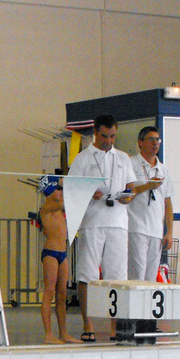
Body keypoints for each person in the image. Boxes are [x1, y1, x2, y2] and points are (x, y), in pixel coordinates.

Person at [67, 114, 136, 342]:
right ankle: (88, 324)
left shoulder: (123, 157)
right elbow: (71, 189)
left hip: (118, 222)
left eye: (113, 136)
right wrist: (88, 192)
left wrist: (128, 196)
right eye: (104, 136)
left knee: (117, 275)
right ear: (95, 133)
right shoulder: (82, 158)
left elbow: (131, 187)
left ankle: (115, 325)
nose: (108, 141)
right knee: (87, 273)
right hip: (92, 223)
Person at [127, 126, 174, 281]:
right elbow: (125, 194)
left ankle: (147, 300)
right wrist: (147, 186)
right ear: (140, 142)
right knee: (137, 275)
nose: (155, 143)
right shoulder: (131, 164)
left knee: (151, 278)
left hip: (156, 230)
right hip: (136, 227)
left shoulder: (163, 170)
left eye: (158, 140)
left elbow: (167, 202)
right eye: (151, 139)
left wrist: (169, 232)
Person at [37, 175, 78, 344]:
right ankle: (48, 334)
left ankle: (63, 333)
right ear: (49, 190)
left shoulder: (60, 209)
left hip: (63, 254)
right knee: (49, 292)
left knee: (62, 295)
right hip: (50, 254)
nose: (61, 192)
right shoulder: (47, 207)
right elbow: (68, 203)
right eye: (58, 189)